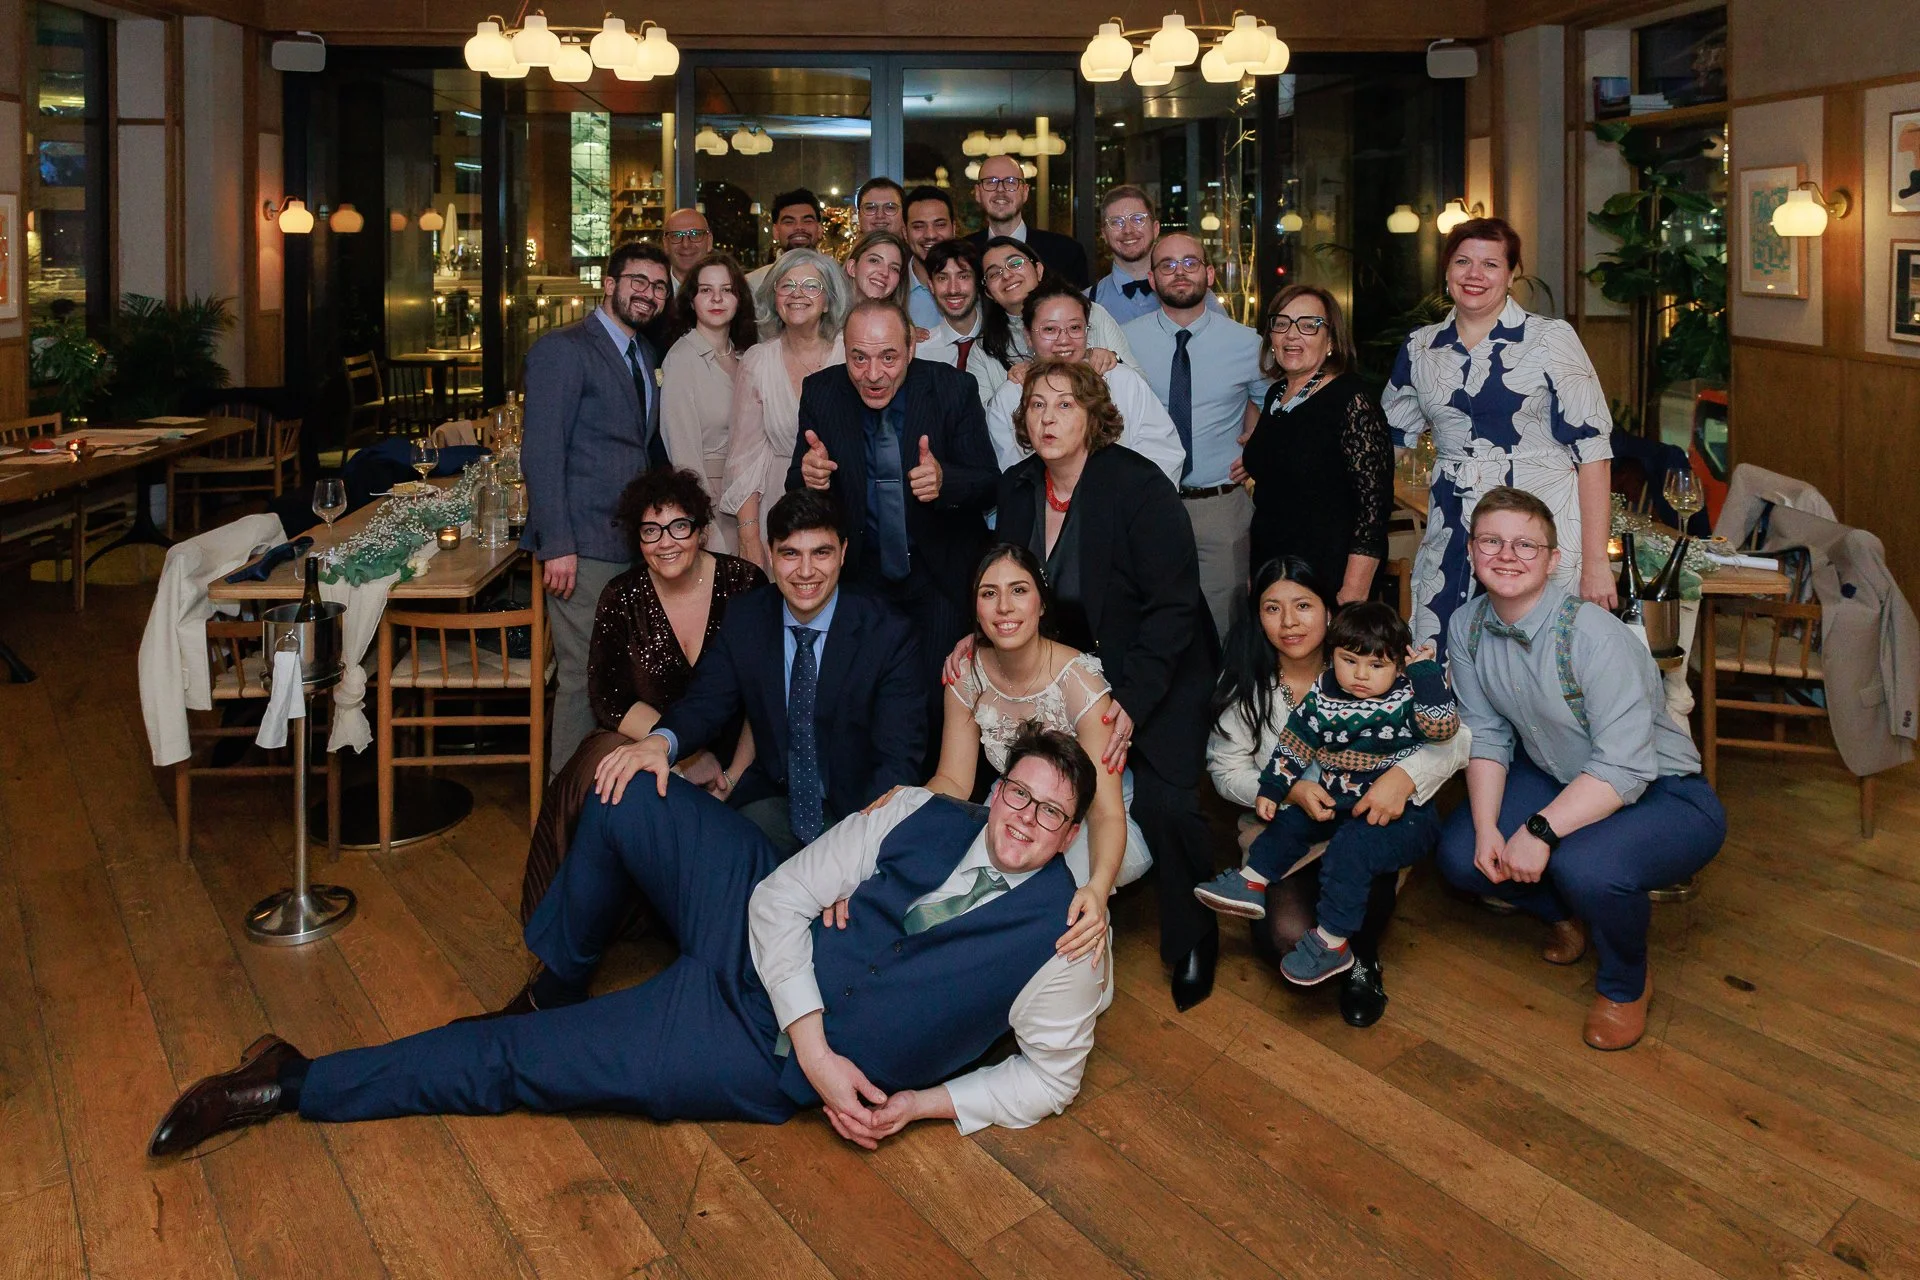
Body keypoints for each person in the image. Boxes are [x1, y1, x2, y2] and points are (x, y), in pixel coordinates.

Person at [146, 726, 1112, 1157]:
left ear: (1072, 833)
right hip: (758, 946)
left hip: (735, 1045)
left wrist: (921, 1105)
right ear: (994, 790)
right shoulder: (917, 811)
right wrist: (818, 1040)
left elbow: (1050, 1077)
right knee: (625, 778)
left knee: (517, 1066)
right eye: (1018, 794)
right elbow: (780, 896)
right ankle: (561, 971)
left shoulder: (1063, 937)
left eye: (1051, 812)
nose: (1026, 820)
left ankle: (292, 1080)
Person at [1435, 488, 1725, 1050]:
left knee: (1585, 866)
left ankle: (1625, 981)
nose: (1507, 555)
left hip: (1663, 791)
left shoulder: (1595, 635)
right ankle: (1561, 913)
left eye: (1526, 544)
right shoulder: (1467, 626)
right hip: (1558, 773)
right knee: (1460, 854)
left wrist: (1540, 830)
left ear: (1553, 558)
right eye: (1492, 541)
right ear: (1471, 551)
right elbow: (1489, 735)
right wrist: (1493, 828)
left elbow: (1622, 767)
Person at [993, 359, 1219, 1010]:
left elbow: (1175, 607)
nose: (1048, 417)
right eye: (1036, 405)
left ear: (1094, 416)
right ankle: (1046, 924)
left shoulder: (1138, 486)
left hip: (1161, 665)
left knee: (1169, 803)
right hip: (1071, 673)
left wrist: (1131, 704)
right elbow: (1006, 589)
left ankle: (1194, 935)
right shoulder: (1016, 489)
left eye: (1065, 404)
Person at [1205, 558, 1468, 1027]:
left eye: (1303, 605)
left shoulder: (1368, 655)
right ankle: (1286, 906)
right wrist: (1289, 792)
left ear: (1329, 610)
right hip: (1295, 823)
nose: (1288, 622)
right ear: (1257, 616)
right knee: (1286, 934)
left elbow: (1456, 738)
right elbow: (1225, 770)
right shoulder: (1251, 686)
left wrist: (1402, 778)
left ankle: (1361, 956)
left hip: (1371, 815)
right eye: (1272, 608)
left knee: (1359, 858)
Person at [599, 489, 926, 855]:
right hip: (774, 802)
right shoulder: (747, 617)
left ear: (843, 553)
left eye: (821, 552)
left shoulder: (888, 633)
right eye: (790, 553)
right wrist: (660, 744)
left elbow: (897, 762)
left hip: (856, 815)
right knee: (641, 820)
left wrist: (859, 852)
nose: (805, 571)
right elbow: (706, 703)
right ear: (770, 554)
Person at [520, 468, 766, 920]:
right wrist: (682, 755)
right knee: (604, 758)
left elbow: (766, 698)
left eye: (679, 526)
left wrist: (730, 775)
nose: (665, 542)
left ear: (702, 530)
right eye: (651, 530)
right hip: (658, 754)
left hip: (741, 763)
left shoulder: (745, 585)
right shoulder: (621, 596)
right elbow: (608, 698)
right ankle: (560, 913)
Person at [1383, 217, 1616, 655]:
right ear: (1447, 271)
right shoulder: (1420, 348)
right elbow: (1388, 444)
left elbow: (1593, 453)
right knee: (1441, 653)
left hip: (1538, 525)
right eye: (1463, 261)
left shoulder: (1550, 339)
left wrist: (1596, 562)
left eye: (1490, 264)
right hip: (1452, 529)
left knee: (1538, 663)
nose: (1474, 275)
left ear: (1511, 275)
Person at [789, 300, 1000, 740]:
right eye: (859, 358)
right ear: (844, 351)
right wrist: (809, 477)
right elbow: (800, 482)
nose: (873, 374)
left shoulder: (953, 389)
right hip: (860, 577)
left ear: (910, 350)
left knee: (935, 703)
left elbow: (988, 484)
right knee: (865, 702)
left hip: (937, 575)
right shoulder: (821, 392)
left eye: (888, 357)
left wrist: (946, 481)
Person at [522, 241, 673, 772]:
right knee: (584, 678)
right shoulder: (562, 349)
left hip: (629, 542)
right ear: (609, 284)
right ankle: (565, 811)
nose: (648, 293)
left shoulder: (643, 354)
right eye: (637, 281)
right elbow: (541, 452)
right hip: (581, 546)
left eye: (658, 286)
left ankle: (606, 796)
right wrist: (557, 543)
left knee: (615, 677)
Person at [935, 543, 1154, 902]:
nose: (1004, 606)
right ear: (975, 608)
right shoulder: (966, 674)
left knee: (1042, 899)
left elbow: (1104, 811)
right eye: (989, 593)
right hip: (1015, 803)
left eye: (1019, 591)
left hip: (1086, 816)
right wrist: (902, 806)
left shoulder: (1081, 684)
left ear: (1042, 603)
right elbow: (953, 781)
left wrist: (1096, 891)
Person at [1121, 232, 1271, 640]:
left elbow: (1278, 403)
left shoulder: (1248, 344)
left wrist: (1255, 443)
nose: (1179, 272)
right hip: (1145, 505)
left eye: (1190, 263)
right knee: (1150, 625)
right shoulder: (1123, 341)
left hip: (1220, 508)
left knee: (1227, 629)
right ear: (1152, 280)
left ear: (1208, 272)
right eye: (1167, 265)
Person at [1240, 285, 1392, 604]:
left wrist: (1353, 592)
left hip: (1327, 574)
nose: (1292, 335)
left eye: (1309, 325)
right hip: (1272, 569)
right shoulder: (1276, 396)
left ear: (1332, 340)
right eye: (1281, 323)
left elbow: (1373, 510)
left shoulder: (1352, 401)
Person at [983, 277, 1183, 485]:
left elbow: (1164, 453)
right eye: (1049, 330)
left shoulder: (1121, 380)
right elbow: (1012, 475)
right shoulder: (1011, 396)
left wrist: (1126, 503)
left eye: (1075, 328)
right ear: (1027, 336)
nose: (1063, 340)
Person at [722, 248, 850, 572]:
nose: (797, 294)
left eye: (811, 285)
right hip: (778, 505)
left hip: (848, 500)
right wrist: (750, 536)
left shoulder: (851, 353)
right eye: (787, 285)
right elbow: (744, 458)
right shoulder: (757, 361)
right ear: (774, 297)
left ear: (828, 300)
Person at [662, 252, 758, 553]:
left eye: (726, 290)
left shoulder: (747, 356)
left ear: (739, 298)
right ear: (692, 300)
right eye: (706, 290)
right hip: (711, 502)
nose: (716, 299)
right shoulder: (680, 360)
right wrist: (704, 523)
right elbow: (683, 455)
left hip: (753, 498)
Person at [979, 237, 1136, 375]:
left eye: (1015, 263)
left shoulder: (1092, 313)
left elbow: (1139, 387)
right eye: (994, 274)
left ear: (1038, 270)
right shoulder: (983, 348)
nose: (1007, 275)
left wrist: (1114, 360)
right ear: (988, 292)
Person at [1086, 185, 1223, 325]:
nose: (1127, 230)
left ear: (1155, 228)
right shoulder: (1085, 303)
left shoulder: (1200, 297)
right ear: (1104, 234)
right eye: (1116, 222)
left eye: (1138, 219)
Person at [964, 154, 1089, 287]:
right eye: (990, 182)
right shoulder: (963, 254)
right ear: (977, 193)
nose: (1000, 189)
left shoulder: (1066, 253)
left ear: (1025, 192)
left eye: (1010, 182)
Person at [913, 239, 1005, 406]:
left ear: (978, 282)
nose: (953, 289)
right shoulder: (918, 354)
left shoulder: (1006, 342)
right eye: (942, 278)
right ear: (931, 286)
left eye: (963, 276)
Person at [902, 185, 958, 330]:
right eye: (919, 226)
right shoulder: (891, 289)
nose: (930, 235)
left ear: (954, 228)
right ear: (905, 233)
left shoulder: (978, 286)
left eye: (940, 225)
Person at [746, 189, 826, 291]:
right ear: (775, 231)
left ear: (819, 229)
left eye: (807, 221)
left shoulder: (839, 280)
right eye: (789, 222)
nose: (799, 227)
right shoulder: (753, 284)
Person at [843, 229, 913, 313]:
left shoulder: (903, 326)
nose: (885, 272)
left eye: (894, 268)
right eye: (874, 261)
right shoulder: (825, 321)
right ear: (852, 267)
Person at [661, 208, 714, 297]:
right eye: (677, 235)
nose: (685, 245)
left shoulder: (729, 291)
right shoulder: (653, 290)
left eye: (695, 234)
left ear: (709, 242)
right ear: (665, 244)